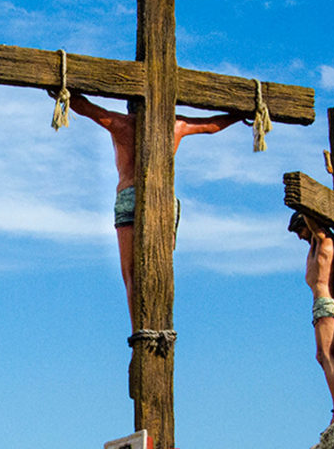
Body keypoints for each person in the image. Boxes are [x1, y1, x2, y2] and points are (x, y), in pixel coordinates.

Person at [54, 91, 245, 327]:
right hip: (164, 199)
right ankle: (161, 325)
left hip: (130, 195)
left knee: (131, 273)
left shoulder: (121, 124)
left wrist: (62, 89)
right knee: (160, 268)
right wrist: (241, 114)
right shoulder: (176, 125)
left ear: (129, 107)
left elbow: (88, 108)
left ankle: (140, 330)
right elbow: (211, 126)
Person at [288, 211, 334, 422]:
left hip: (325, 304)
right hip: (319, 307)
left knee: (325, 356)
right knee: (324, 356)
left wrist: (303, 205)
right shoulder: (314, 247)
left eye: (299, 229)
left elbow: (314, 225)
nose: (299, 236)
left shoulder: (323, 240)